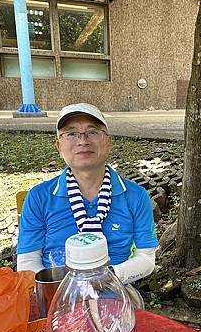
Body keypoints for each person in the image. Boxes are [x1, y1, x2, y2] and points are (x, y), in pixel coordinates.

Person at [17, 103, 159, 285]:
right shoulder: (39, 197)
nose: (83, 140)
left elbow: (146, 258)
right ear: (59, 147)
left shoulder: (136, 196)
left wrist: (106, 278)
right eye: (71, 133)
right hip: (57, 292)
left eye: (92, 132)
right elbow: (28, 262)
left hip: (115, 291)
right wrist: (64, 291)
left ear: (109, 142)